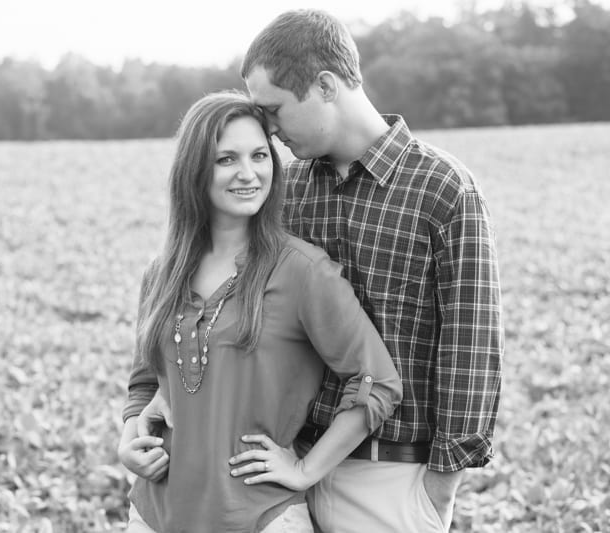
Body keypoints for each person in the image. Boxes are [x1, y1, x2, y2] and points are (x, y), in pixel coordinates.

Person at [127, 9, 503, 533]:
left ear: (325, 86)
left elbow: (471, 349)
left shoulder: (442, 190)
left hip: (388, 471)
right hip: (279, 463)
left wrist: (442, 485)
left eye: (274, 111)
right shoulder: (288, 186)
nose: (270, 131)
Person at [117, 90, 402, 533]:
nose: (248, 173)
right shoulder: (163, 273)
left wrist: (306, 470)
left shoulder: (303, 271)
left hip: (259, 517)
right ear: (194, 170)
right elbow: (144, 383)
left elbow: (377, 382)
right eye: (226, 159)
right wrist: (129, 436)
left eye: (259, 155)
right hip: (155, 515)